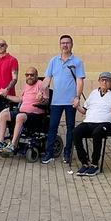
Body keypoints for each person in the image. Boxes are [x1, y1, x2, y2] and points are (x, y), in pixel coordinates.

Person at [42, 35, 85, 165]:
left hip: (71, 102)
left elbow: (80, 81)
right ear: (59, 45)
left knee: (70, 128)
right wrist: (41, 91)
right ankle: (49, 153)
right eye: (62, 43)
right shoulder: (53, 61)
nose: (65, 45)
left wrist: (77, 97)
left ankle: (68, 153)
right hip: (56, 101)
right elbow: (47, 78)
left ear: (72, 44)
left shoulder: (77, 62)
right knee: (52, 127)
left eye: (67, 43)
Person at [72, 72, 111, 176]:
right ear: (99, 81)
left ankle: (95, 165)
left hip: (106, 124)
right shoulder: (94, 93)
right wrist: (77, 106)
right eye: (102, 80)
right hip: (89, 122)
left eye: (107, 80)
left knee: (97, 133)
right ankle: (85, 162)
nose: (104, 82)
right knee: (76, 132)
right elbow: (84, 111)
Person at [0, 68, 47, 155]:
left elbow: (47, 100)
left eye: (32, 75)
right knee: (3, 114)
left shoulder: (41, 84)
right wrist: (6, 96)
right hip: (23, 113)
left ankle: (13, 145)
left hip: (36, 115)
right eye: (27, 75)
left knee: (19, 116)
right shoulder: (26, 85)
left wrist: (42, 99)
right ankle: (0, 141)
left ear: (36, 76)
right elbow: (20, 99)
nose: (29, 77)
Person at [0, 40, 20, 127]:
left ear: (6, 46)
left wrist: (6, 89)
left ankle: (11, 139)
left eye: (2, 45)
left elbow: (15, 78)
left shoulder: (12, 60)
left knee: (9, 118)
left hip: (7, 95)